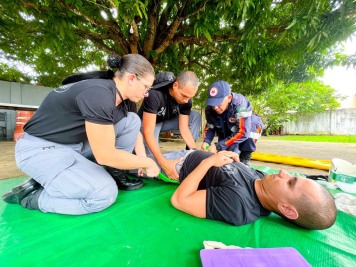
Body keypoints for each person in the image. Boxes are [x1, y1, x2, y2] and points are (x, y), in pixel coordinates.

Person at [2, 54, 160, 215]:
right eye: (146, 87)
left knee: (132, 120)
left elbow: (134, 132)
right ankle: (32, 197)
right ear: (132, 78)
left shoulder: (124, 99)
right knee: (103, 194)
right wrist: (147, 162)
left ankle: (114, 172)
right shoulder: (99, 94)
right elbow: (104, 155)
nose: (147, 93)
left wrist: (140, 157)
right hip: (40, 150)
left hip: (73, 145)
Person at [167, 150, 337, 230]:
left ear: (286, 208)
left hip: (176, 165)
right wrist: (234, 161)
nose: (283, 173)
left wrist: (209, 162)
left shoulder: (239, 204)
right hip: (191, 152)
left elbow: (180, 200)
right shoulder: (264, 180)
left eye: (290, 183)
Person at [138, 71, 201, 180]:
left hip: (166, 121)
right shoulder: (155, 94)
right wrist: (164, 164)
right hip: (149, 124)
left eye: (189, 97)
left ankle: (190, 153)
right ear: (175, 85)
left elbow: (184, 128)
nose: (186, 100)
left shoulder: (187, 100)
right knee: (154, 163)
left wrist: (197, 153)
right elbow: (148, 132)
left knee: (195, 115)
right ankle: (131, 166)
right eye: (184, 95)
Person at [201, 81, 252, 158]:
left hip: (244, 129)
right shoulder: (209, 109)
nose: (215, 108)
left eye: (218, 103)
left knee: (234, 156)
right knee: (223, 155)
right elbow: (210, 128)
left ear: (229, 98)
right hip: (225, 129)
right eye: (213, 104)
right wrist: (206, 142)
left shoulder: (240, 105)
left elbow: (243, 132)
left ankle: (245, 156)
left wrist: (218, 146)